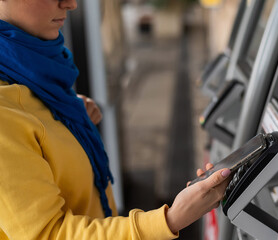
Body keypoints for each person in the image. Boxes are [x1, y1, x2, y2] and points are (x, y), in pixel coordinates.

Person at [0, 0, 231, 239]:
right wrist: (172, 219)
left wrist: (61, 117)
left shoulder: (36, 77)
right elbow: (49, 234)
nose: (70, 4)